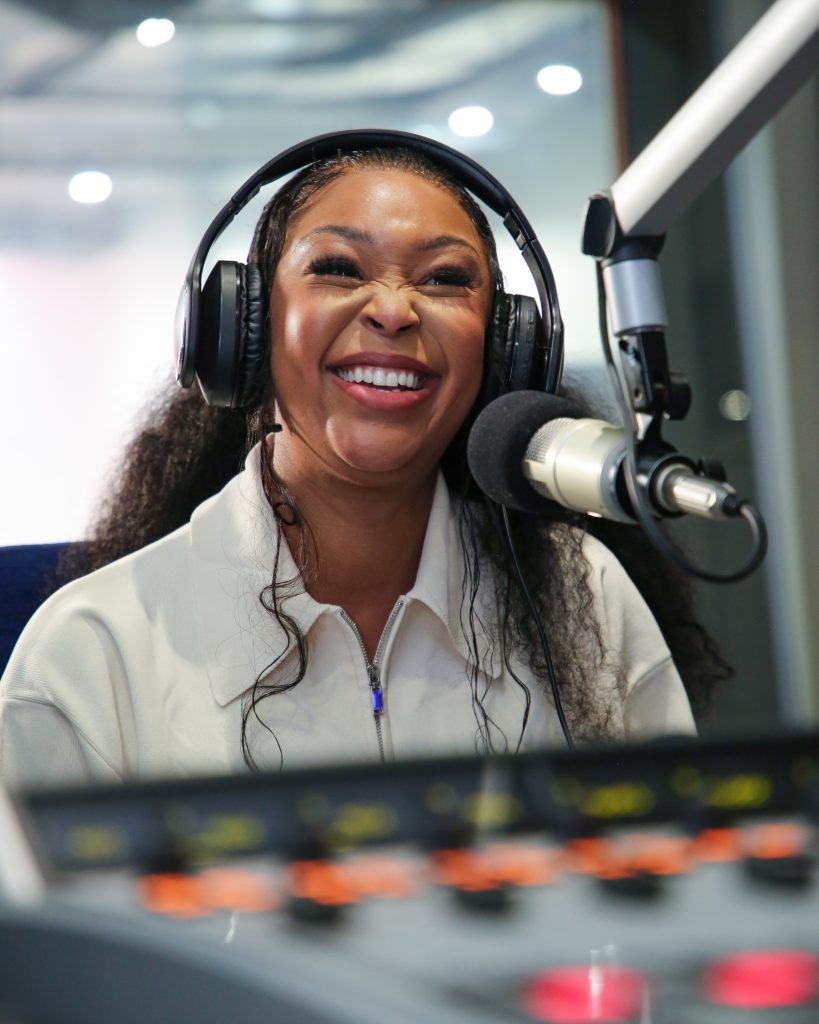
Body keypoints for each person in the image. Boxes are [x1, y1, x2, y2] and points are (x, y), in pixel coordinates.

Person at [0, 141, 729, 789]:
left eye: (443, 279)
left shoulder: (584, 593)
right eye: (338, 268)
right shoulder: (92, 651)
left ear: (504, 348)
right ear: (243, 329)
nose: (393, 310)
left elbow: (671, 868)